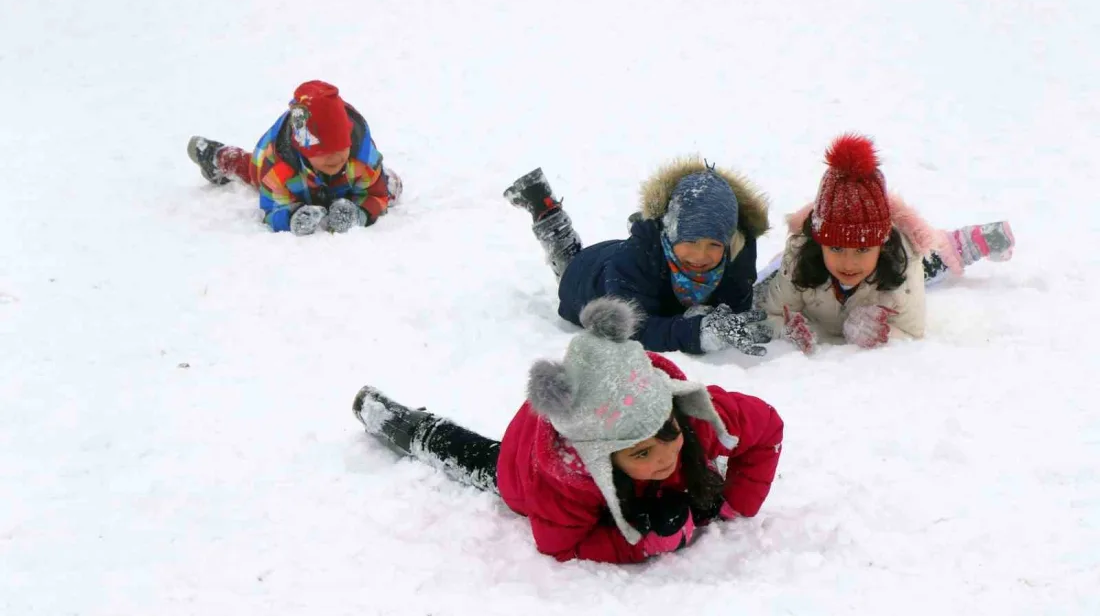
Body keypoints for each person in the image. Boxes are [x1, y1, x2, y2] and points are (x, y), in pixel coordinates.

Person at [353, 297, 784, 564]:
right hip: (525, 463)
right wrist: (641, 544)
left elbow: (767, 429)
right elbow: (560, 545)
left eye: (666, 435)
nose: (664, 457)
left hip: (590, 407)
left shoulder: (691, 413)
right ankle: (399, 423)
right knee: (479, 459)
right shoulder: (565, 481)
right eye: (639, 454)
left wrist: (732, 504)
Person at [759, 134, 1015, 353]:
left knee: (930, 260)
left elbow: (912, 332)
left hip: (891, 270)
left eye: (862, 249)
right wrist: (789, 330)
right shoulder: (798, 259)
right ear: (820, 243)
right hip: (809, 268)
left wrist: (880, 333)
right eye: (836, 248)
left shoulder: (903, 265)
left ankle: (962, 244)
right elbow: (769, 315)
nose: (849, 263)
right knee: (769, 278)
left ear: (881, 244)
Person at [503, 160, 772, 356]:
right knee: (568, 260)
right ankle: (547, 212)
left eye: (713, 244)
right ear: (670, 233)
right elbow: (631, 328)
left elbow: (737, 304)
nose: (701, 256)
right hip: (589, 277)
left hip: (640, 262)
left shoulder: (738, 252)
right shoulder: (633, 261)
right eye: (689, 241)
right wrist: (696, 332)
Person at [186, 80, 402, 235]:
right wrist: (291, 218)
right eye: (323, 152)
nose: (334, 157)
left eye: (340, 148)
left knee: (388, 188)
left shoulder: (362, 159)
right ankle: (218, 157)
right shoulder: (279, 168)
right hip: (287, 174)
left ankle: (385, 180)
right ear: (304, 150)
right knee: (252, 171)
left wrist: (359, 213)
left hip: (345, 182)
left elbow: (376, 195)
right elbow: (270, 210)